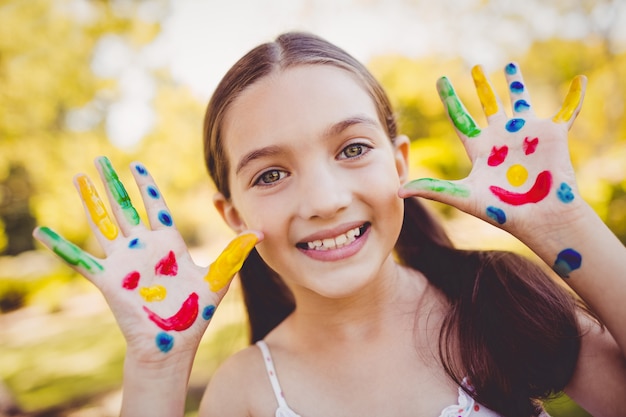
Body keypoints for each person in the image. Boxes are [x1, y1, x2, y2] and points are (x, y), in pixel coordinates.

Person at [33, 32, 626, 417]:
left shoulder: (495, 302)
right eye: (270, 175)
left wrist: (566, 224)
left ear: (398, 164)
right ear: (234, 217)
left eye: (351, 149)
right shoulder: (246, 394)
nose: (322, 199)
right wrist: (157, 367)